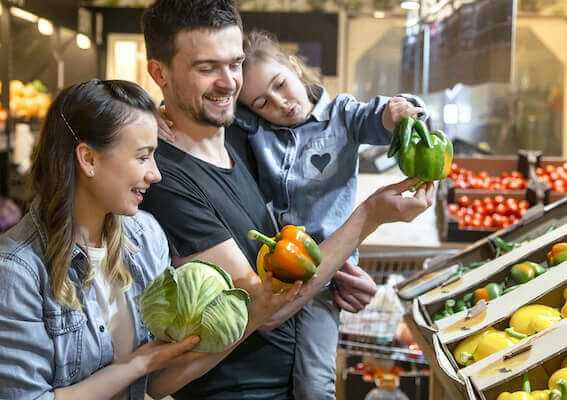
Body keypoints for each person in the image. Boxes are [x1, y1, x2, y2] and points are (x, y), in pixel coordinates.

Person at [140, 0, 434, 399]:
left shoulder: (242, 137)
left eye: (235, 64)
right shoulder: (164, 177)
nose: (228, 83)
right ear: (159, 73)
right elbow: (266, 309)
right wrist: (368, 218)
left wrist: (333, 275)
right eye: (207, 68)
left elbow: (286, 262)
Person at [0, 79, 301, 400]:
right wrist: (136, 366)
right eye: (143, 157)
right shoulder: (17, 271)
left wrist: (255, 313)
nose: (155, 174)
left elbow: (156, 383)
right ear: (88, 159)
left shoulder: (145, 236)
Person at [229, 29, 425, 400]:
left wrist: (398, 111)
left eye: (280, 85)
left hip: (324, 274)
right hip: (269, 271)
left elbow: (380, 117)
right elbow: (207, 113)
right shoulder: (256, 129)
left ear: (293, 66)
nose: (280, 103)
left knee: (314, 385)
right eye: (262, 102)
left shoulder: (343, 115)